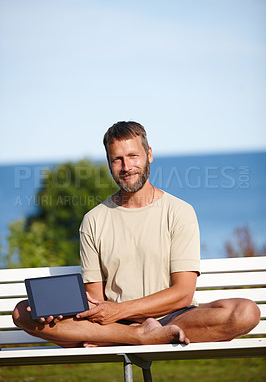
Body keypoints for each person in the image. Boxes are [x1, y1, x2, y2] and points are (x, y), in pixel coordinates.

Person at [13, 121, 260, 347]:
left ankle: (125, 338)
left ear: (149, 154)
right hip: (111, 324)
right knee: (22, 312)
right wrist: (62, 308)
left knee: (246, 312)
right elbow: (96, 298)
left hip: (171, 316)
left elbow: (183, 293)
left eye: (133, 156)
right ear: (109, 163)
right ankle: (135, 336)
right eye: (117, 159)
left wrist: (119, 311)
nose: (127, 167)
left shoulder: (179, 212)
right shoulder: (93, 220)